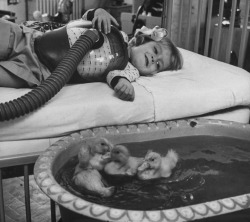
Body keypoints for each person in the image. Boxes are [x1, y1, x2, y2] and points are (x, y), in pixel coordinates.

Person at [0, 8, 182, 101]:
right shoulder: (115, 29)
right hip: (30, 37)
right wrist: (99, 13)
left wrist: (124, 85)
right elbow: (84, 19)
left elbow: (115, 76)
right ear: (143, 39)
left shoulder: (128, 69)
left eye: (158, 65)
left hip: (38, 70)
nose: (153, 59)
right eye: (155, 51)